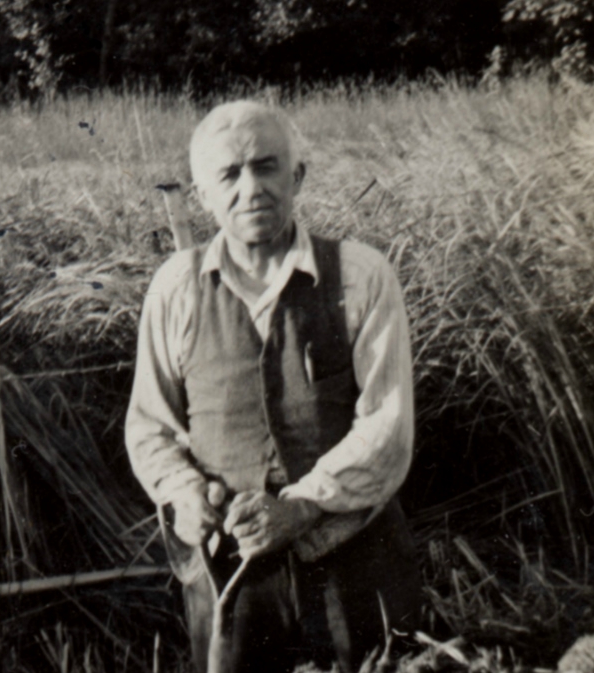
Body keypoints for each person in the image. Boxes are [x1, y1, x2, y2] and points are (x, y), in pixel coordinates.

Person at [125, 100, 421, 673]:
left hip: (356, 572)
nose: (252, 188)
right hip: (234, 588)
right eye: (230, 175)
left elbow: (388, 427)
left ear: (298, 176)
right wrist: (185, 494)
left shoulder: (360, 276)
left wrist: (302, 506)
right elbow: (150, 426)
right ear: (203, 194)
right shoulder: (175, 289)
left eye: (267, 166)